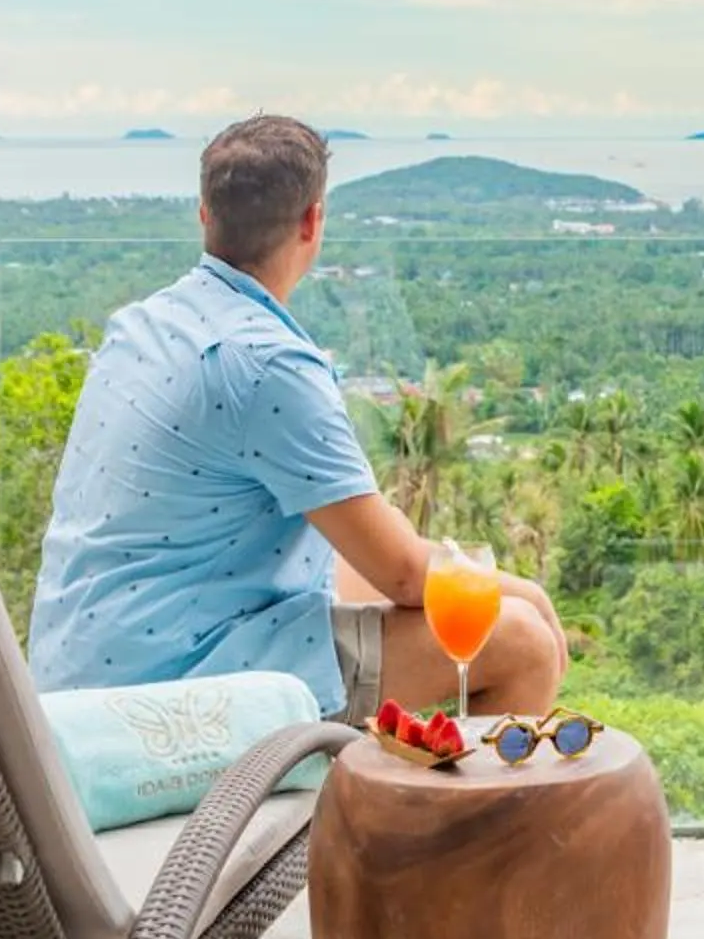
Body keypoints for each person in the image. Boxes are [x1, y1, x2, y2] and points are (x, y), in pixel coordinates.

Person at [29, 114, 565, 722]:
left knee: (403, 598)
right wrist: (530, 594)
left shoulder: (141, 327)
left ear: (205, 215)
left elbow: (357, 561)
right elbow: (408, 578)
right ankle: (444, 819)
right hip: (170, 691)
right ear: (313, 222)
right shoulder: (268, 366)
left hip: (79, 673)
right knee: (522, 643)